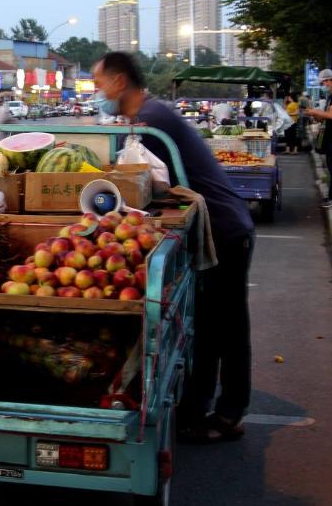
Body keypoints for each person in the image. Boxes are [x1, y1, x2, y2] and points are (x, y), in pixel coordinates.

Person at [92, 52, 255, 442]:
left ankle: (229, 415)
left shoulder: (153, 122)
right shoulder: (146, 117)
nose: (97, 93)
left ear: (119, 82)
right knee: (207, 325)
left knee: (227, 328)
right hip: (213, 227)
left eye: (99, 84)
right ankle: (196, 409)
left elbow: (141, 183)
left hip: (224, 230)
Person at [306, 69, 332, 207]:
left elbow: (331, 115)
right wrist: (315, 115)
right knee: (331, 167)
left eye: (323, 82)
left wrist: (315, 111)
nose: (323, 85)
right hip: (330, 136)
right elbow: (326, 118)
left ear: (329, 81)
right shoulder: (331, 97)